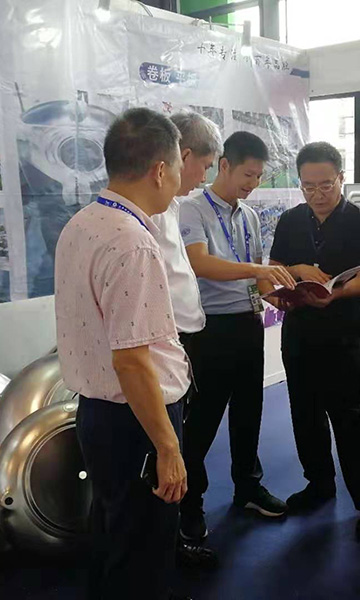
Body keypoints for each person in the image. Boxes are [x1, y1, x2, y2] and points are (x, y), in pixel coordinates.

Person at [55, 107, 192, 600]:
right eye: (180, 166)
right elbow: (132, 360)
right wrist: (168, 448)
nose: (180, 178)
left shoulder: (83, 222)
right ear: (160, 169)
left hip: (101, 413)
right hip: (137, 417)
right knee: (144, 545)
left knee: (115, 532)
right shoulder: (133, 243)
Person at [178, 131, 296, 542]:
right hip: (210, 329)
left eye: (259, 176)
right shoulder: (191, 209)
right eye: (248, 174)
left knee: (249, 412)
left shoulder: (249, 216)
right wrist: (258, 272)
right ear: (224, 165)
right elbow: (199, 263)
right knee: (202, 422)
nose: (253, 183)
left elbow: (257, 276)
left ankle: (248, 486)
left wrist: (284, 296)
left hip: (248, 322)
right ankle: (189, 504)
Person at [268, 141, 360, 540]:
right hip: (298, 333)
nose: (317, 194)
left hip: (340, 336)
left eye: (325, 185)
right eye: (308, 186)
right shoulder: (290, 221)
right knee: (304, 414)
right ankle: (319, 484)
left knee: (348, 418)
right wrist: (296, 271)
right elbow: (274, 268)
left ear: (341, 178)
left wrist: (334, 294)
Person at [153, 110, 223, 569]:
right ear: (183, 156)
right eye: (204, 166)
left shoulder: (174, 206)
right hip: (159, 345)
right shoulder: (143, 215)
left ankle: (173, 536)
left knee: (179, 442)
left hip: (182, 340)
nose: (204, 177)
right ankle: (165, 551)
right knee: (164, 452)